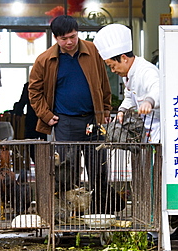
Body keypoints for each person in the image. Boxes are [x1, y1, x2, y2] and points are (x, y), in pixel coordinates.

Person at [93, 23, 178, 241]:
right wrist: (122, 109)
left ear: (123, 57)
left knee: (153, 185)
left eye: (112, 65)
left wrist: (149, 100)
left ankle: (153, 229)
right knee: (154, 183)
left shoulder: (146, 70)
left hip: (161, 135)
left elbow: (157, 89)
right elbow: (130, 95)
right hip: (147, 134)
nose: (112, 70)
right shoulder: (129, 73)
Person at [28, 15, 121, 214]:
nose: (69, 42)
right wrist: (46, 115)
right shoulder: (45, 60)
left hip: (94, 119)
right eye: (64, 39)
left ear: (77, 33)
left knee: (98, 169)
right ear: (55, 38)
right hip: (65, 122)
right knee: (67, 173)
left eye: (73, 36)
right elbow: (34, 92)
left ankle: (99, 214)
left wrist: (105, 110)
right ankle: (69, 217)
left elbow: (104, 83)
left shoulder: (93, 51)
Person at [14, 82, 47, 162]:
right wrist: (18, 112)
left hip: (43, 118)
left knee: (40, 142)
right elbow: (23, 101)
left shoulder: (48, 84)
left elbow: (22, 101)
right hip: (35, 118)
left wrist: (18, 112)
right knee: (32, 141)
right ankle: (38, 162)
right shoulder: (29, 85)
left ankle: (41, 162)